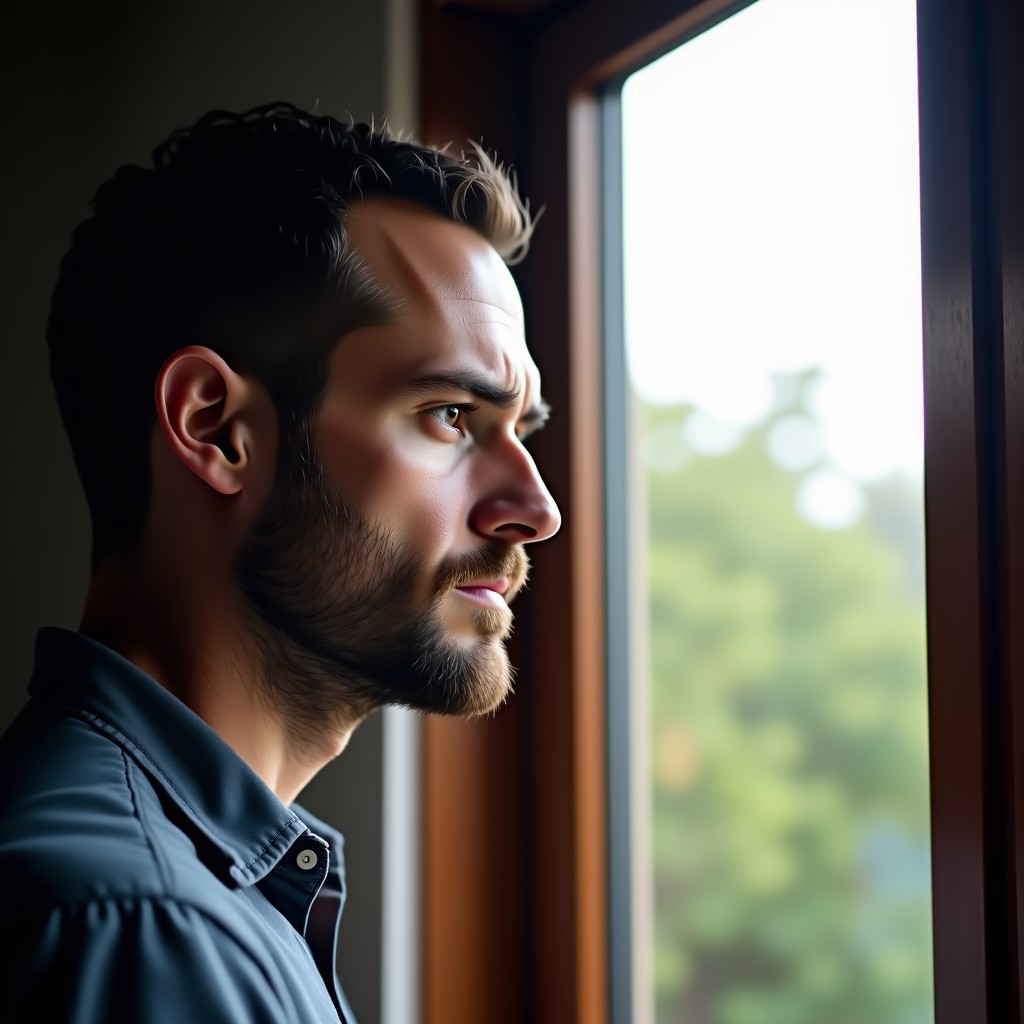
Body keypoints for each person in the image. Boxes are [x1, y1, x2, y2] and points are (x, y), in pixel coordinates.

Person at [0, 102, 560, 1023]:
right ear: (217, 430)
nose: (536, 511)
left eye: (520, 429)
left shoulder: (187, 902)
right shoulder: (145, 932)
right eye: (451, 416)